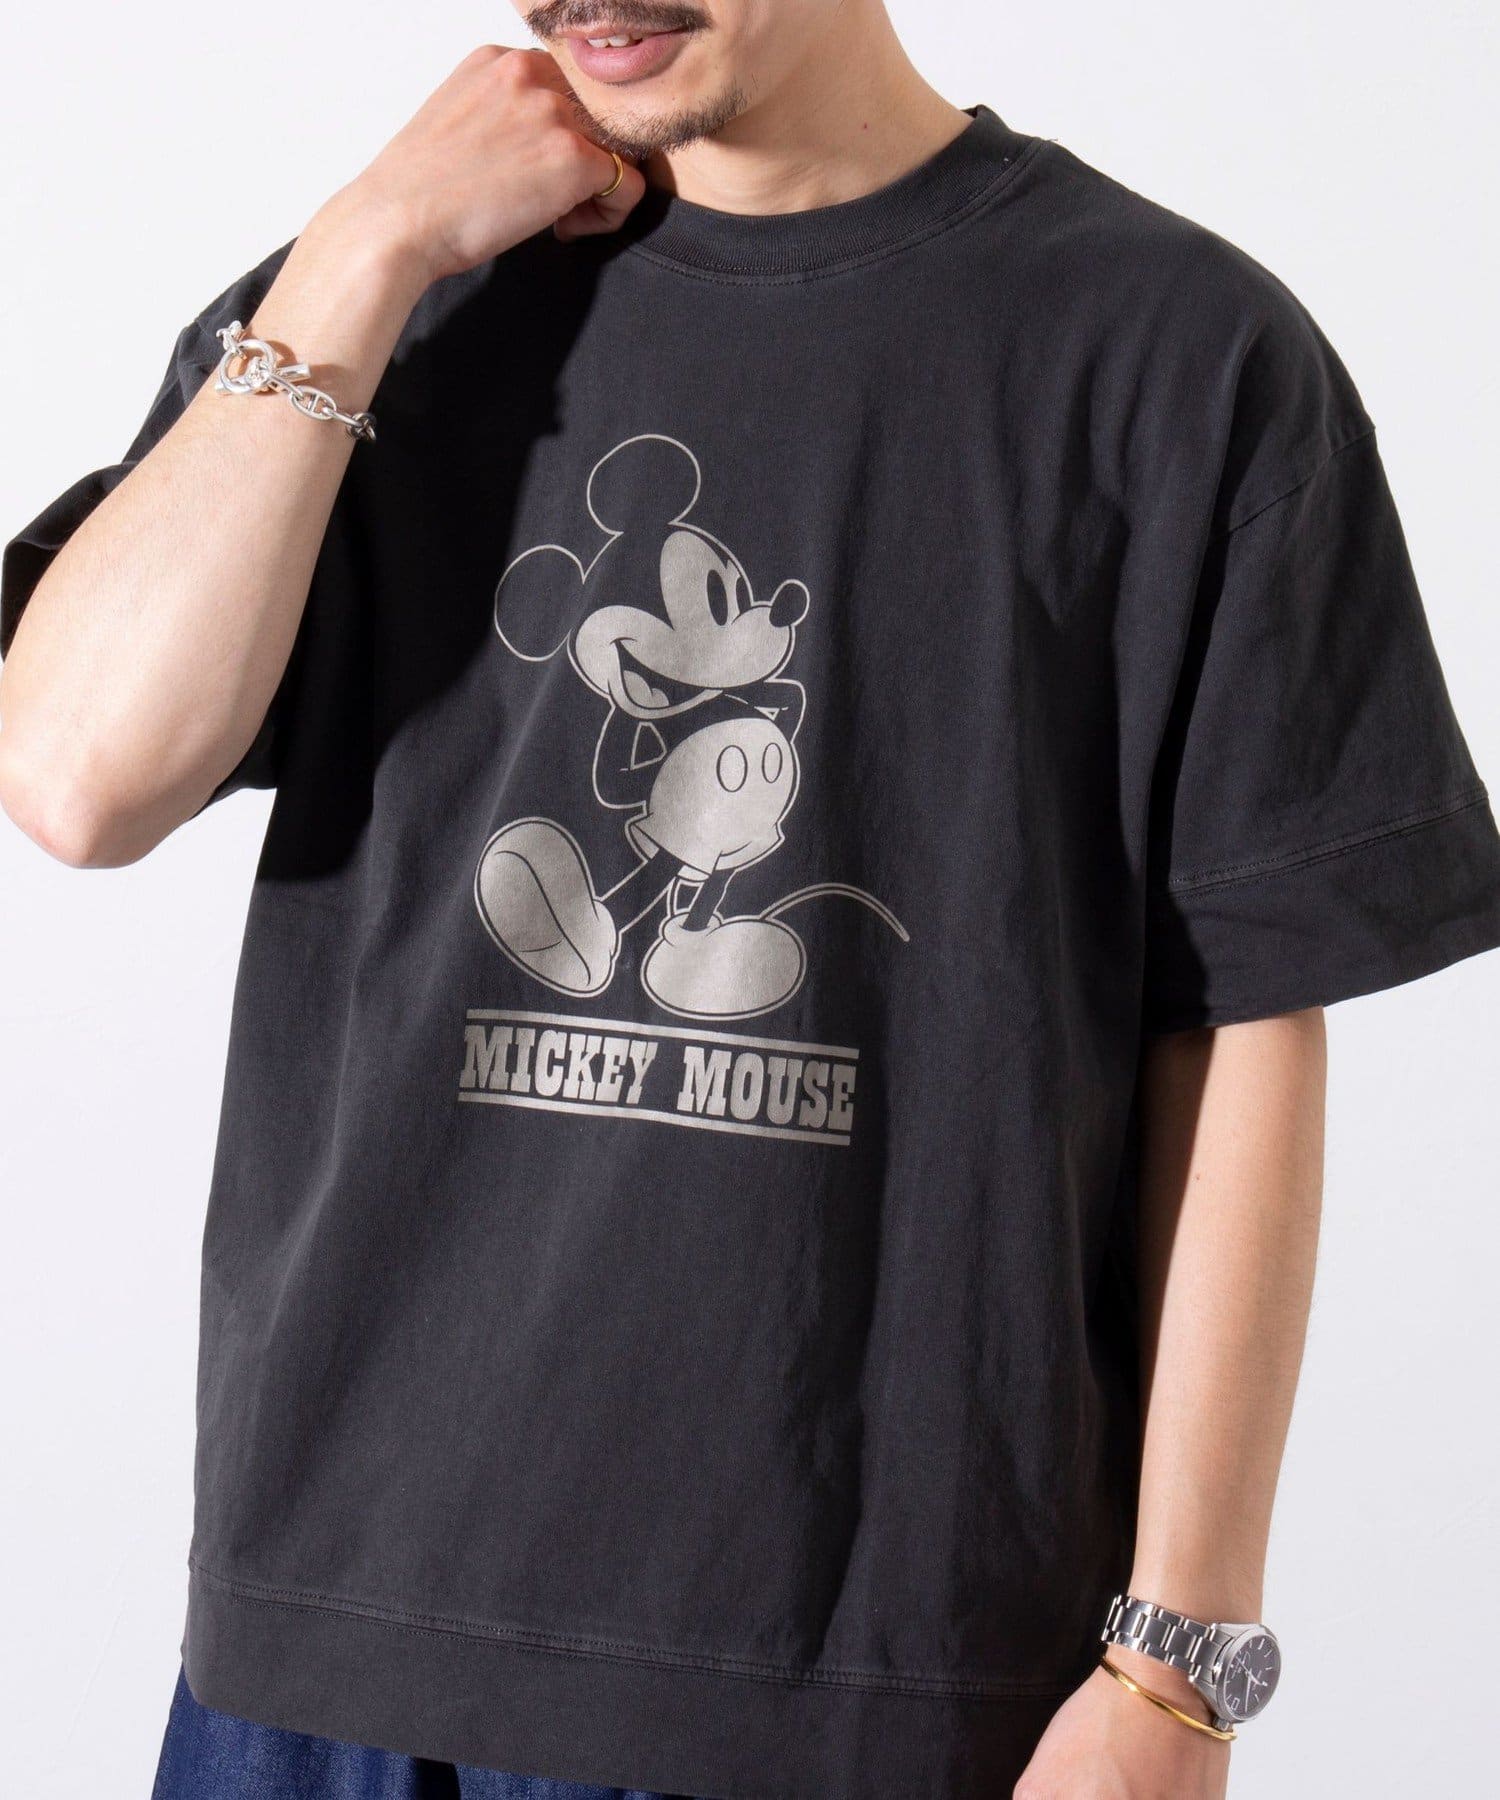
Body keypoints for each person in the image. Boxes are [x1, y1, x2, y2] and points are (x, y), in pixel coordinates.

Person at [2, 2, 1497, 1796]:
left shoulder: (1178, 354)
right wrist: (367, 243)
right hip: (324, 1660)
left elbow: (1242, 1024)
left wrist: (1179, 1667)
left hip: (866, 1686)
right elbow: (77, 776)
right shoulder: (388, 297)